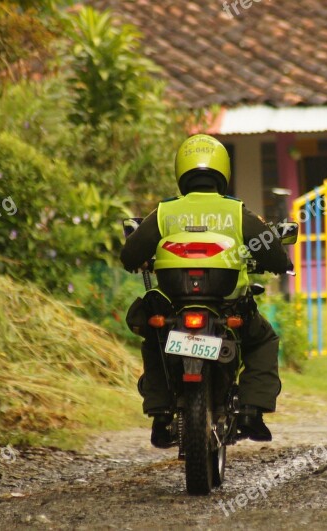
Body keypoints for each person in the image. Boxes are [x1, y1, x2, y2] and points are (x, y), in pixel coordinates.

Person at [119, 134, 293, 447]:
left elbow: (129, 256)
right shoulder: (236, 212)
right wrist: (279, 262)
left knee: (155, 338)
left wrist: (145, 257)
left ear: (181, 171)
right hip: (228, 308)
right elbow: (273, 253)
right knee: (263, 339)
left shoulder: (165, 212)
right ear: (223, 171)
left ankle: (160, 413)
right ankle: (252, 410)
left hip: (174, 309)